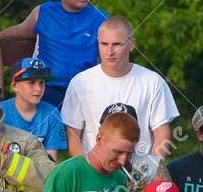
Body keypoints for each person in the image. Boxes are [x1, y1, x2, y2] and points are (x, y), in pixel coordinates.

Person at [60, 16, 177, 159]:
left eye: (117, 44)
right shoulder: (80, 83)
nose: (109, 51)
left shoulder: (153, 82)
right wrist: (87, 171)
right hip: (95, 173)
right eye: (104, 44)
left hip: (139, 175)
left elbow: (161, 133)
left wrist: (149, 170)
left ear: (131, 44)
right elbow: (73, 136)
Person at [0, 0, 106, 108]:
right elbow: (19, 31)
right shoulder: (43, 12)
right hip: (47, 87)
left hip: (84, 90)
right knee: (42, 113)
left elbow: (110, 55)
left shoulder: (100, 19)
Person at [6, 57, 67, 156]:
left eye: (41, 83)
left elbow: (50, 161)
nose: (38, 88)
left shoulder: (52, 113)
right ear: (14, 86)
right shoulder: (0, 112)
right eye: (31, 83)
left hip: (41, 170)